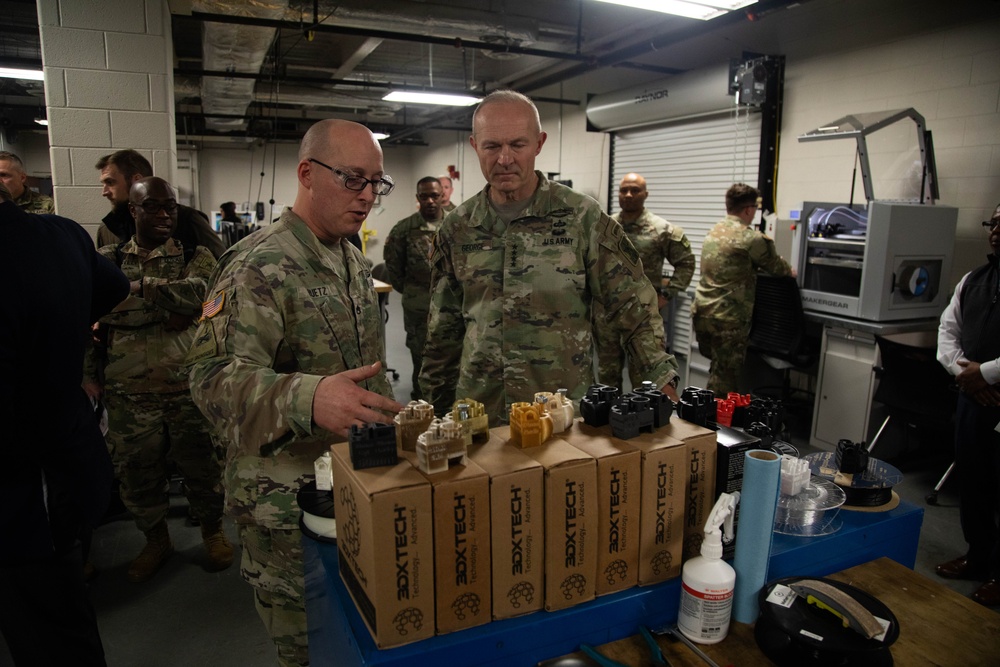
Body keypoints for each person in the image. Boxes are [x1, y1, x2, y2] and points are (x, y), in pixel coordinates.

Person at [187, 119, 405, 666]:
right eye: (354, 179)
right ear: (307, 173)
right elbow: (209, 379)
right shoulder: (257, 266)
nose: (367, 197)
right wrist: (307, 398)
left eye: (377, 183)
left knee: (359, 639)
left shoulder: (349, 257)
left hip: (351, 489)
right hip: (285, 507)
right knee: (309, 647)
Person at [419, 90, 680, 425]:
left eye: (518, 144)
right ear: (474, 145)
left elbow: (633, 308)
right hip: (482, 415)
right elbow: (443, 331)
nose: (505, 159)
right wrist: (433, 410)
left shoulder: (581, 217)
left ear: (539, 143)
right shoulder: (457, 228)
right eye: (492, 146)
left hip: (561, 414)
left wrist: (661, 381)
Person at [0, 182, 128, 666]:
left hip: (26, 494)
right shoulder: (59, 235)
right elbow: (113, 285)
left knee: (51, 637)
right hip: (64, 461)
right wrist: (64, 324)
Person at [85, 177, 232, 583]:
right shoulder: (107, 258)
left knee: (204, 466)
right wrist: (168, 310)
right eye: (153, 206)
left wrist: (135, 292)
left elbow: (204, 297)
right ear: (133, 210)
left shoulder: (196, 254)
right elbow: (90, 311)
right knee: (138, 474)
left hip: (187, 385)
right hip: (128, 392)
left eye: (170, 207)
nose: (165, 214)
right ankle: (157, 540)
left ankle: (212, 531)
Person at [935, 202, 1000, 607]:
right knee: (974, 482)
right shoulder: (975, 280)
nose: (997, 229)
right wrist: (967, 376)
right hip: (974, 400)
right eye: (994, 222)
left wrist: (987, 373)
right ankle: (978, 557)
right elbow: (947, 330)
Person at [691, 183, 793, 395]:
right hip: (728, 319)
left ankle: (708, 412)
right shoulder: (752, 238)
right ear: (748, 209)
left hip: (703, 313)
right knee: (724, 378)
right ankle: (714, 424)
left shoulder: (714, 232)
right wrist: (792, 271)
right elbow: (778, 269)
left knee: (718, 370)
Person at [597, 172, 696, 387]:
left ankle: (638, 420)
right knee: (607, 378)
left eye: (635, 190)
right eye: (624, 190)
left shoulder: (662, 230)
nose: (629, 194)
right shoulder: (604, 228)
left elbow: (686, 263)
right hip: (607, 316)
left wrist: (666, 296)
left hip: (642, 317)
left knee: (645, 379)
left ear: (646, 194)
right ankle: (607, 420)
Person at [95, 149, 226, 258]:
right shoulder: (108, 229)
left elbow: (224, 267)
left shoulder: (187, 219)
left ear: (136, 181)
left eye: (110, 183)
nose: (104, 192)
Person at [383, 176, 445, 399]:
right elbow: (394, 269)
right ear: (418, 198)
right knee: (421, 358)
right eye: (424, 196)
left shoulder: (455, 226)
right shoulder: (404, 230)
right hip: (418, 309)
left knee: (450, 358)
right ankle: (422, 404)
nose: (430, 201)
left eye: (434, 196)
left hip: (451, 307)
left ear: (442, 197)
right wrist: (414, 293)